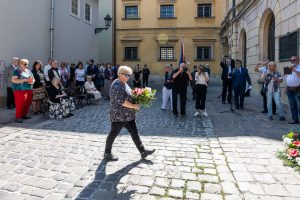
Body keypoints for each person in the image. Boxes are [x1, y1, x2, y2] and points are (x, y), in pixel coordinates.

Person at [103, 66, 155, 161]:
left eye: (129, 75)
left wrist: (140, 95)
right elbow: (122, 101)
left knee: (134, 132)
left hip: (128, 115)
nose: (128, 77)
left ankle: (143, 152)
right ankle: (107, 153)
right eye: (126, 75)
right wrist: (134, 106)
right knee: (113, 133)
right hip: (119, 115)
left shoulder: (124, 83)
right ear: (120, 74)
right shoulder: (116, 85)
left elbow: (130, 94)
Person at [11, 59, 35, 123]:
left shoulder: (29, 71)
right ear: (20, 64)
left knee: (27, 103)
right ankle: (18, 117)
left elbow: (33, 78)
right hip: (20, 90)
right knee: (20, 103)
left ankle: (24, 115)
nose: (26, 65)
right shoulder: (17, 71)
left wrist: (32, 81)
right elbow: (13, 80)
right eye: (25, 64)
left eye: (27, 64)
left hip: (29, 89)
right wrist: (23, 80)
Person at [285, 56, 300, 124]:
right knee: (292, 105)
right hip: (289, 90)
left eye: (294, 60)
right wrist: (286, 87)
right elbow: (287, 78)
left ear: (298, 60)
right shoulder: (289, 68)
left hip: (297, 89)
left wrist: (295, 70)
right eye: (291, 60)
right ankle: (295, 119)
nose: (292, 61)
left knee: (299, 106)